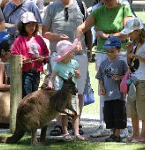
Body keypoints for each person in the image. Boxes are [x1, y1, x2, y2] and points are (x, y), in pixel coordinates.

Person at [76, 0, 133, 138]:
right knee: (105, 90)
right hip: (103, 54)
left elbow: (128, 32)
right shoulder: (98, 11)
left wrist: (106, 36)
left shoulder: (124, 9)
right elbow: (81, 28)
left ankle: (123, 126)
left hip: (121, 53)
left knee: (123, 89)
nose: (105, 1)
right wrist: (78, 40)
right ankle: (105, 125)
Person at [42, 0, 92, 136]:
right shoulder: (51, 7)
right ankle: (60, 125)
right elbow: (44, 32)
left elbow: (87, 30)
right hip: (58, 56)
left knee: (79, 91)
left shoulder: (81, 5)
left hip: (80, 55)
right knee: (59, 91)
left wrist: (89, 50)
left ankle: (77, 123)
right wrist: (57, 37)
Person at [120, 17, 145, 143]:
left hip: (143, 81)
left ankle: (143, 135)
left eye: (131, 32)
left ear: (139, 31)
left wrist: (138, 56)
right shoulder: (133, 44)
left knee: (142, 109)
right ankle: (135, 134)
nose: (129, 35)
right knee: (132, 108)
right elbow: (130, 63)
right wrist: (129, 53)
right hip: (133, 80)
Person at [46, 39, 85, 141]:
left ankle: (76, 133)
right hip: (62, 94)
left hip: (73, 93)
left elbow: (79, 75)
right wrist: (50, 85)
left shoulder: (75, 63)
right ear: (66, 54)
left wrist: (78, 74)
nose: (74, 52)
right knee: (64, 114)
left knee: (75, 113)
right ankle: (65, 133)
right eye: (72, 51)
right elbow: (52, 77)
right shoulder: (58, 65)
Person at [96, 36, 128, 142]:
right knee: (109, 115)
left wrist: (119, 77)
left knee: (118, 114)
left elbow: (127, 76)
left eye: (112, 51)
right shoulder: (103, 64)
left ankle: (117, 134)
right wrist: (102, 87)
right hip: (107, 96)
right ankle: (113, 133)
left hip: (118, 95)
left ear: (118, 50)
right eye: (107, 51)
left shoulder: (121, 63)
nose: (109, 53)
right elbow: (100, 77)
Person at [11, 12, 49, 98]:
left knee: (34, 95)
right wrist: (23, 59)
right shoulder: (19, 39)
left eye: (34, 24)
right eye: (29, 25)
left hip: (36, 72)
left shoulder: (39, 39)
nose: (32, 27)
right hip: (25, 73)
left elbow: (46, 53)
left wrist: (42, 58)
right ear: (23, 26)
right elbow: (14, 54)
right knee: (27, 97)